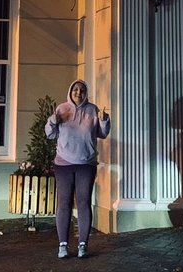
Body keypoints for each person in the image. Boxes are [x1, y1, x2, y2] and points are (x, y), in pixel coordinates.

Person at [44, 79, 109, 259]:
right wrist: (53, 121)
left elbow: (102, 134)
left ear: (85, 92)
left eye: (82, 90)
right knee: (64, 203)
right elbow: (50, 134)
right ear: (70, 91)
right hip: (63, 164)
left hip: (86, 165)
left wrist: (104, 121)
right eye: (75, 89)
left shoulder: (93, 110)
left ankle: (82, 245)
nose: (78, 92)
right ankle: (63, 245)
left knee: (83, 203)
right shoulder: (61, 109)